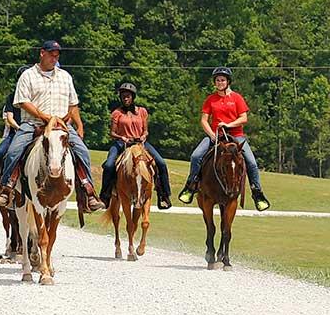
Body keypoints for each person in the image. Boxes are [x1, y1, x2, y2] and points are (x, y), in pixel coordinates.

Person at [0, 40, 105, 212]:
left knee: (83, 151)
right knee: (13, 151)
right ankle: (6, 189)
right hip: (33, 124)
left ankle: (89, 193)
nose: (54, 59)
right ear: (42, 53)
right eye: (51, 55)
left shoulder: (65, 76)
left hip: (61, 125)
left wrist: (78, 124)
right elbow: (23, 101)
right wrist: (43, 116)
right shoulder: (28, 75)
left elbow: (73, 104)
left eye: (56, 56)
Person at [177, 67, 270, 211]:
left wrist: (228, 124)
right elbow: (204, 120)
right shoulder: (210, 99)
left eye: (222, 80)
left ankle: (257, 193)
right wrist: (212, 135)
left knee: (251, 162)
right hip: (216, 135)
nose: (220, 82)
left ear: (228, 82)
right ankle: (190, 187)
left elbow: (244, 118)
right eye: (217, 80)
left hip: (236, 135)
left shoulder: (237, 98)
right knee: (195, 156)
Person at [99, 82, 173, 210]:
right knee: (109, 165)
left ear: (133, 97)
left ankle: (164, 195)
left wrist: (144, 136)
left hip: (140, 143)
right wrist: (122, 137)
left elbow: (146, 130)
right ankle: (105, 196)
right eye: (123, 96)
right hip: (122, 143)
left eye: (128, 96)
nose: (125, 98)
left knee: (161, 163)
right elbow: (112, 133)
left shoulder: (142, 111)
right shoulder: (117, 113)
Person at [0, 64, 30, 198]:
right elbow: (10, 119)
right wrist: (19, 128)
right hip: (16, 133)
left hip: (34, 131)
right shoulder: (12, 97)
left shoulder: (36, 97)